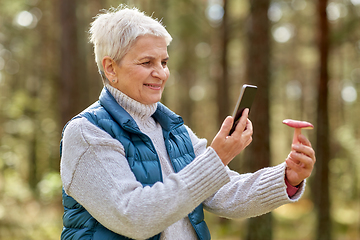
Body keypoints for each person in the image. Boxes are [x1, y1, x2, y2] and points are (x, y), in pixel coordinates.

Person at [60, 5, 316, 240]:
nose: (160, 73)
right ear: (111, 68)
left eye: (164, 62)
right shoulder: (86, 133)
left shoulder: (173, 130)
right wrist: (216, 158)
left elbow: (224, 193)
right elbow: (135, 217)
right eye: (147, 62)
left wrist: (286, 177)